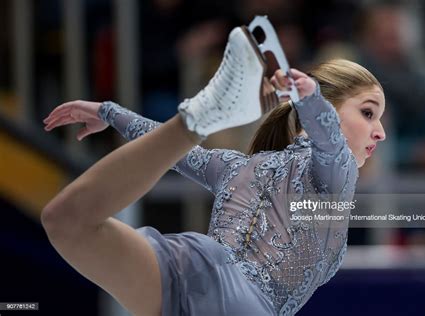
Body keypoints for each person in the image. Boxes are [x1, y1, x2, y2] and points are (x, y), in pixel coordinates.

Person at [41, 25, 386, 316]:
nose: (380, 131)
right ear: (327, 108)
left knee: (68, 221)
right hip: (221, 289)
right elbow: (329, 140)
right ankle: (199, 117)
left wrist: (110, 113)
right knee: (63, 220)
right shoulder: (333, 175)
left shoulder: (242, 167)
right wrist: (309, 98)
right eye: (368, 113)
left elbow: (176, 153)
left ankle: (197, 120)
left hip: (202, 278)